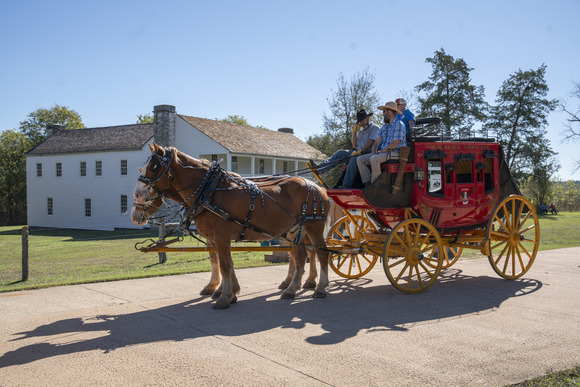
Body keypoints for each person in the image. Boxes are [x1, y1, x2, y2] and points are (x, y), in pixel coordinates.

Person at [310, 109, 379, 188]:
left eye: (363, 120)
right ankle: (320, 169)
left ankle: (346, 185)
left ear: (368, 118)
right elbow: (354, 145)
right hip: (359, 153)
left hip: (369, 154)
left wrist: (360, 151)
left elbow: (371, 141)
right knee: (341, 153)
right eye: (360, 121)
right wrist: (354, 132)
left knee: (354, 159)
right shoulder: (361, 132)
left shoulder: (374, 128)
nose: (362, 123)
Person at [357, 101, 407, 187]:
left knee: (374, 159)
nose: (383, 114)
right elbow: (376, 142)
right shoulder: (385, 126)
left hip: (396, 153)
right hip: (384, 153)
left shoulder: (399, 124)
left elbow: (394, 144)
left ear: (390, 112)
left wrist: (381, 152)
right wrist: (373, 152)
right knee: (360, 159)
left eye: (384, 111)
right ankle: (367, 184)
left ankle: (375, 186)